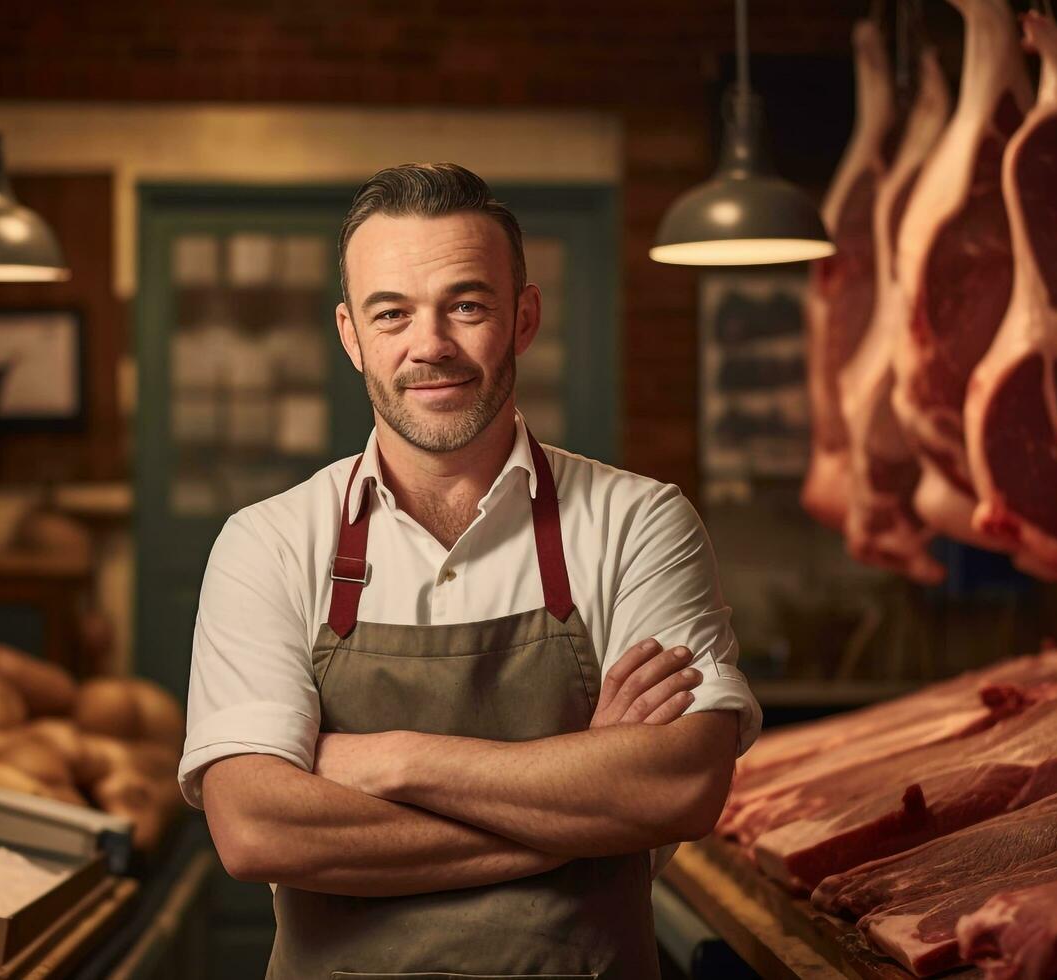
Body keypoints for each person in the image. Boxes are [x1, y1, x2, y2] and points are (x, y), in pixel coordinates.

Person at [179, 162, 761, 979]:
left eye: (466, 305)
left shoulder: (638, 523)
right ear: (350, 336)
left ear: (523, 318)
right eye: (392, 314)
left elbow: (679, 788)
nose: (431, 346)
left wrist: (390, 760)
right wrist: (579, 805)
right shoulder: (269, 542)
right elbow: (256, 830)